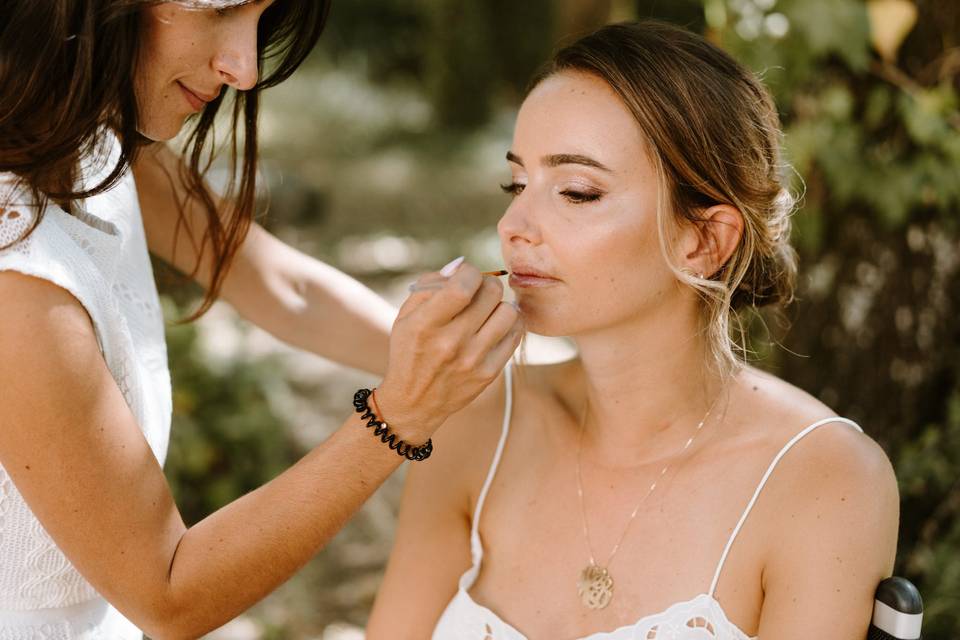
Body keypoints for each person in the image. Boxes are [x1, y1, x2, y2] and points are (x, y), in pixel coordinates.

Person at [0, 1, 523, 637]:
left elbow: (281, 285)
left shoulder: (87, 137)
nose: (245, 68)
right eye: (220, 8)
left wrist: (499, 378)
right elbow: (169, 595)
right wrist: (402, 412)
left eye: (259, 18)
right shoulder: (17, 278)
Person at [369, 21, 900, 640]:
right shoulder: (474, 424)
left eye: (577, 191)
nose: (513, 223)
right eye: (516, 184)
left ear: (704, 240)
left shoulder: (825, 480)